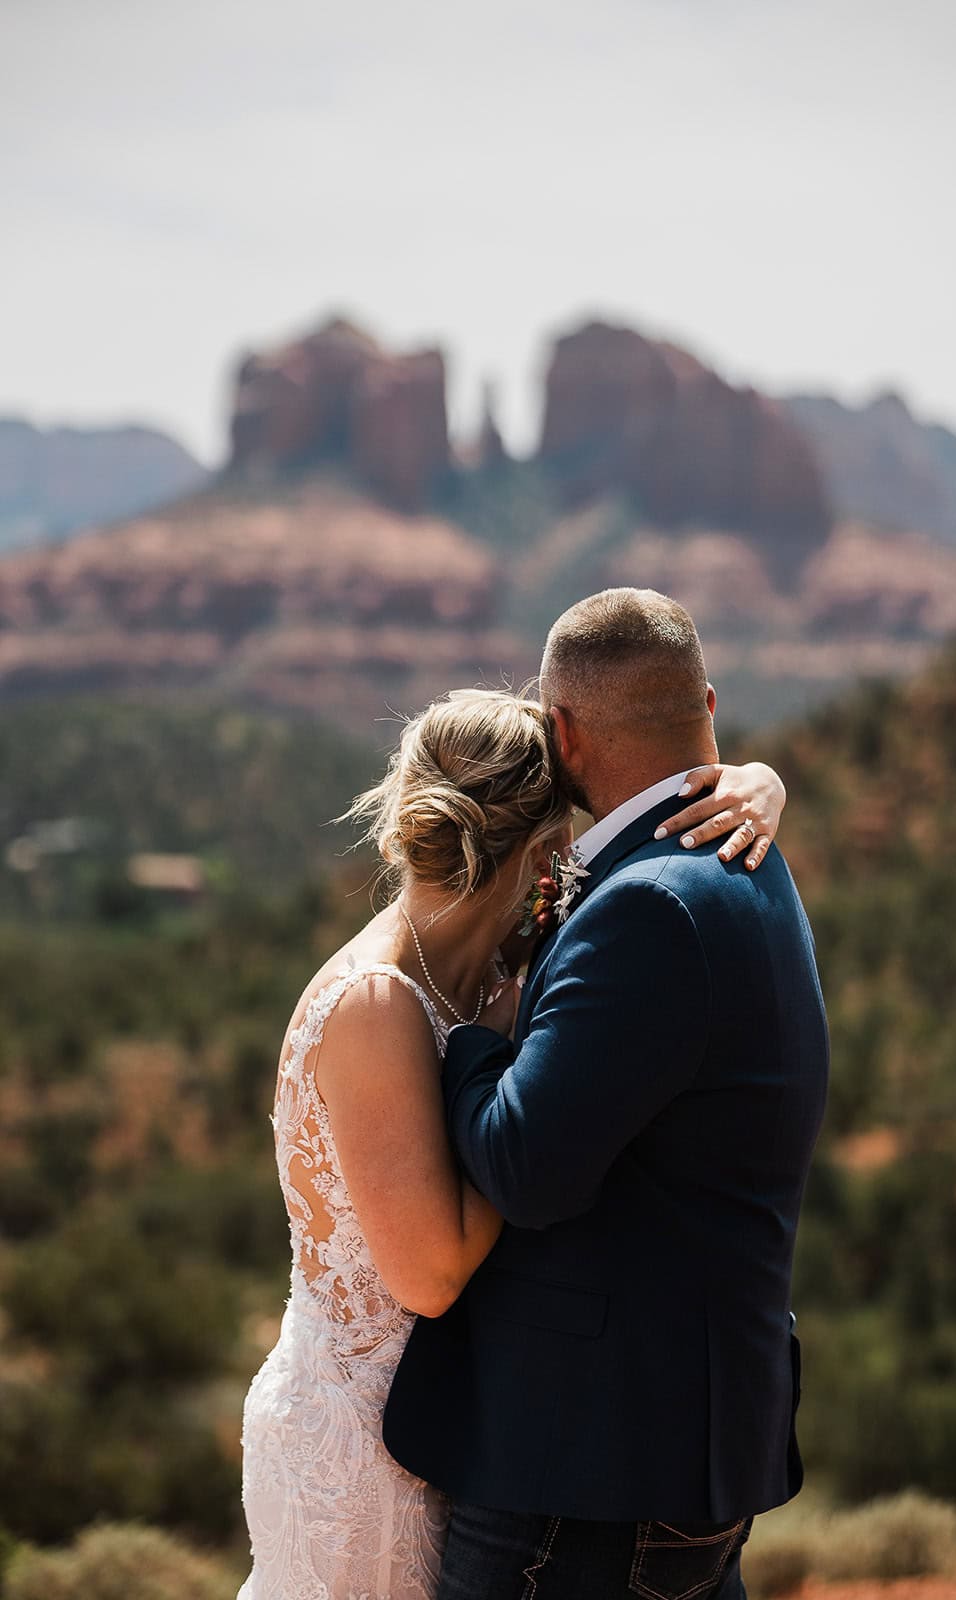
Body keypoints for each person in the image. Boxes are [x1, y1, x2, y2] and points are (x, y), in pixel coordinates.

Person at [237, 661, 793, 1599]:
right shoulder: (380, 1003)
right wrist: (519, 1091)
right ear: (543, 855)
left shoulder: (487, 964)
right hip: (358, 1453)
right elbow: (432, 1269)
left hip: (448, 1427)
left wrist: (758, 783)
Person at [383, 589, 830, 1600]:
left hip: (589, 1469)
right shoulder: (743, 861)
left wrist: (460, 1038)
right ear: (705, 702)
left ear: (561, 732)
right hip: (670, 1443)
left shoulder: (648, 905)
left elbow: (523, 1167)